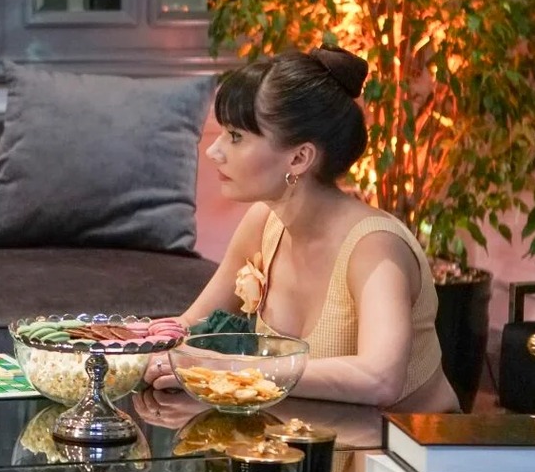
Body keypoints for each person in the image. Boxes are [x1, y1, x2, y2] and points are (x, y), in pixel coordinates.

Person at [145, 44, 458, 412]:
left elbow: (380, 379)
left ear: (299, 157)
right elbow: (188, 327)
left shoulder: (375, 247)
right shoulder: (264, 222)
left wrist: (225, 369)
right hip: (313, 436)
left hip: (407, 445)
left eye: (235, 136)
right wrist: (121, 346)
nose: (214, 151)